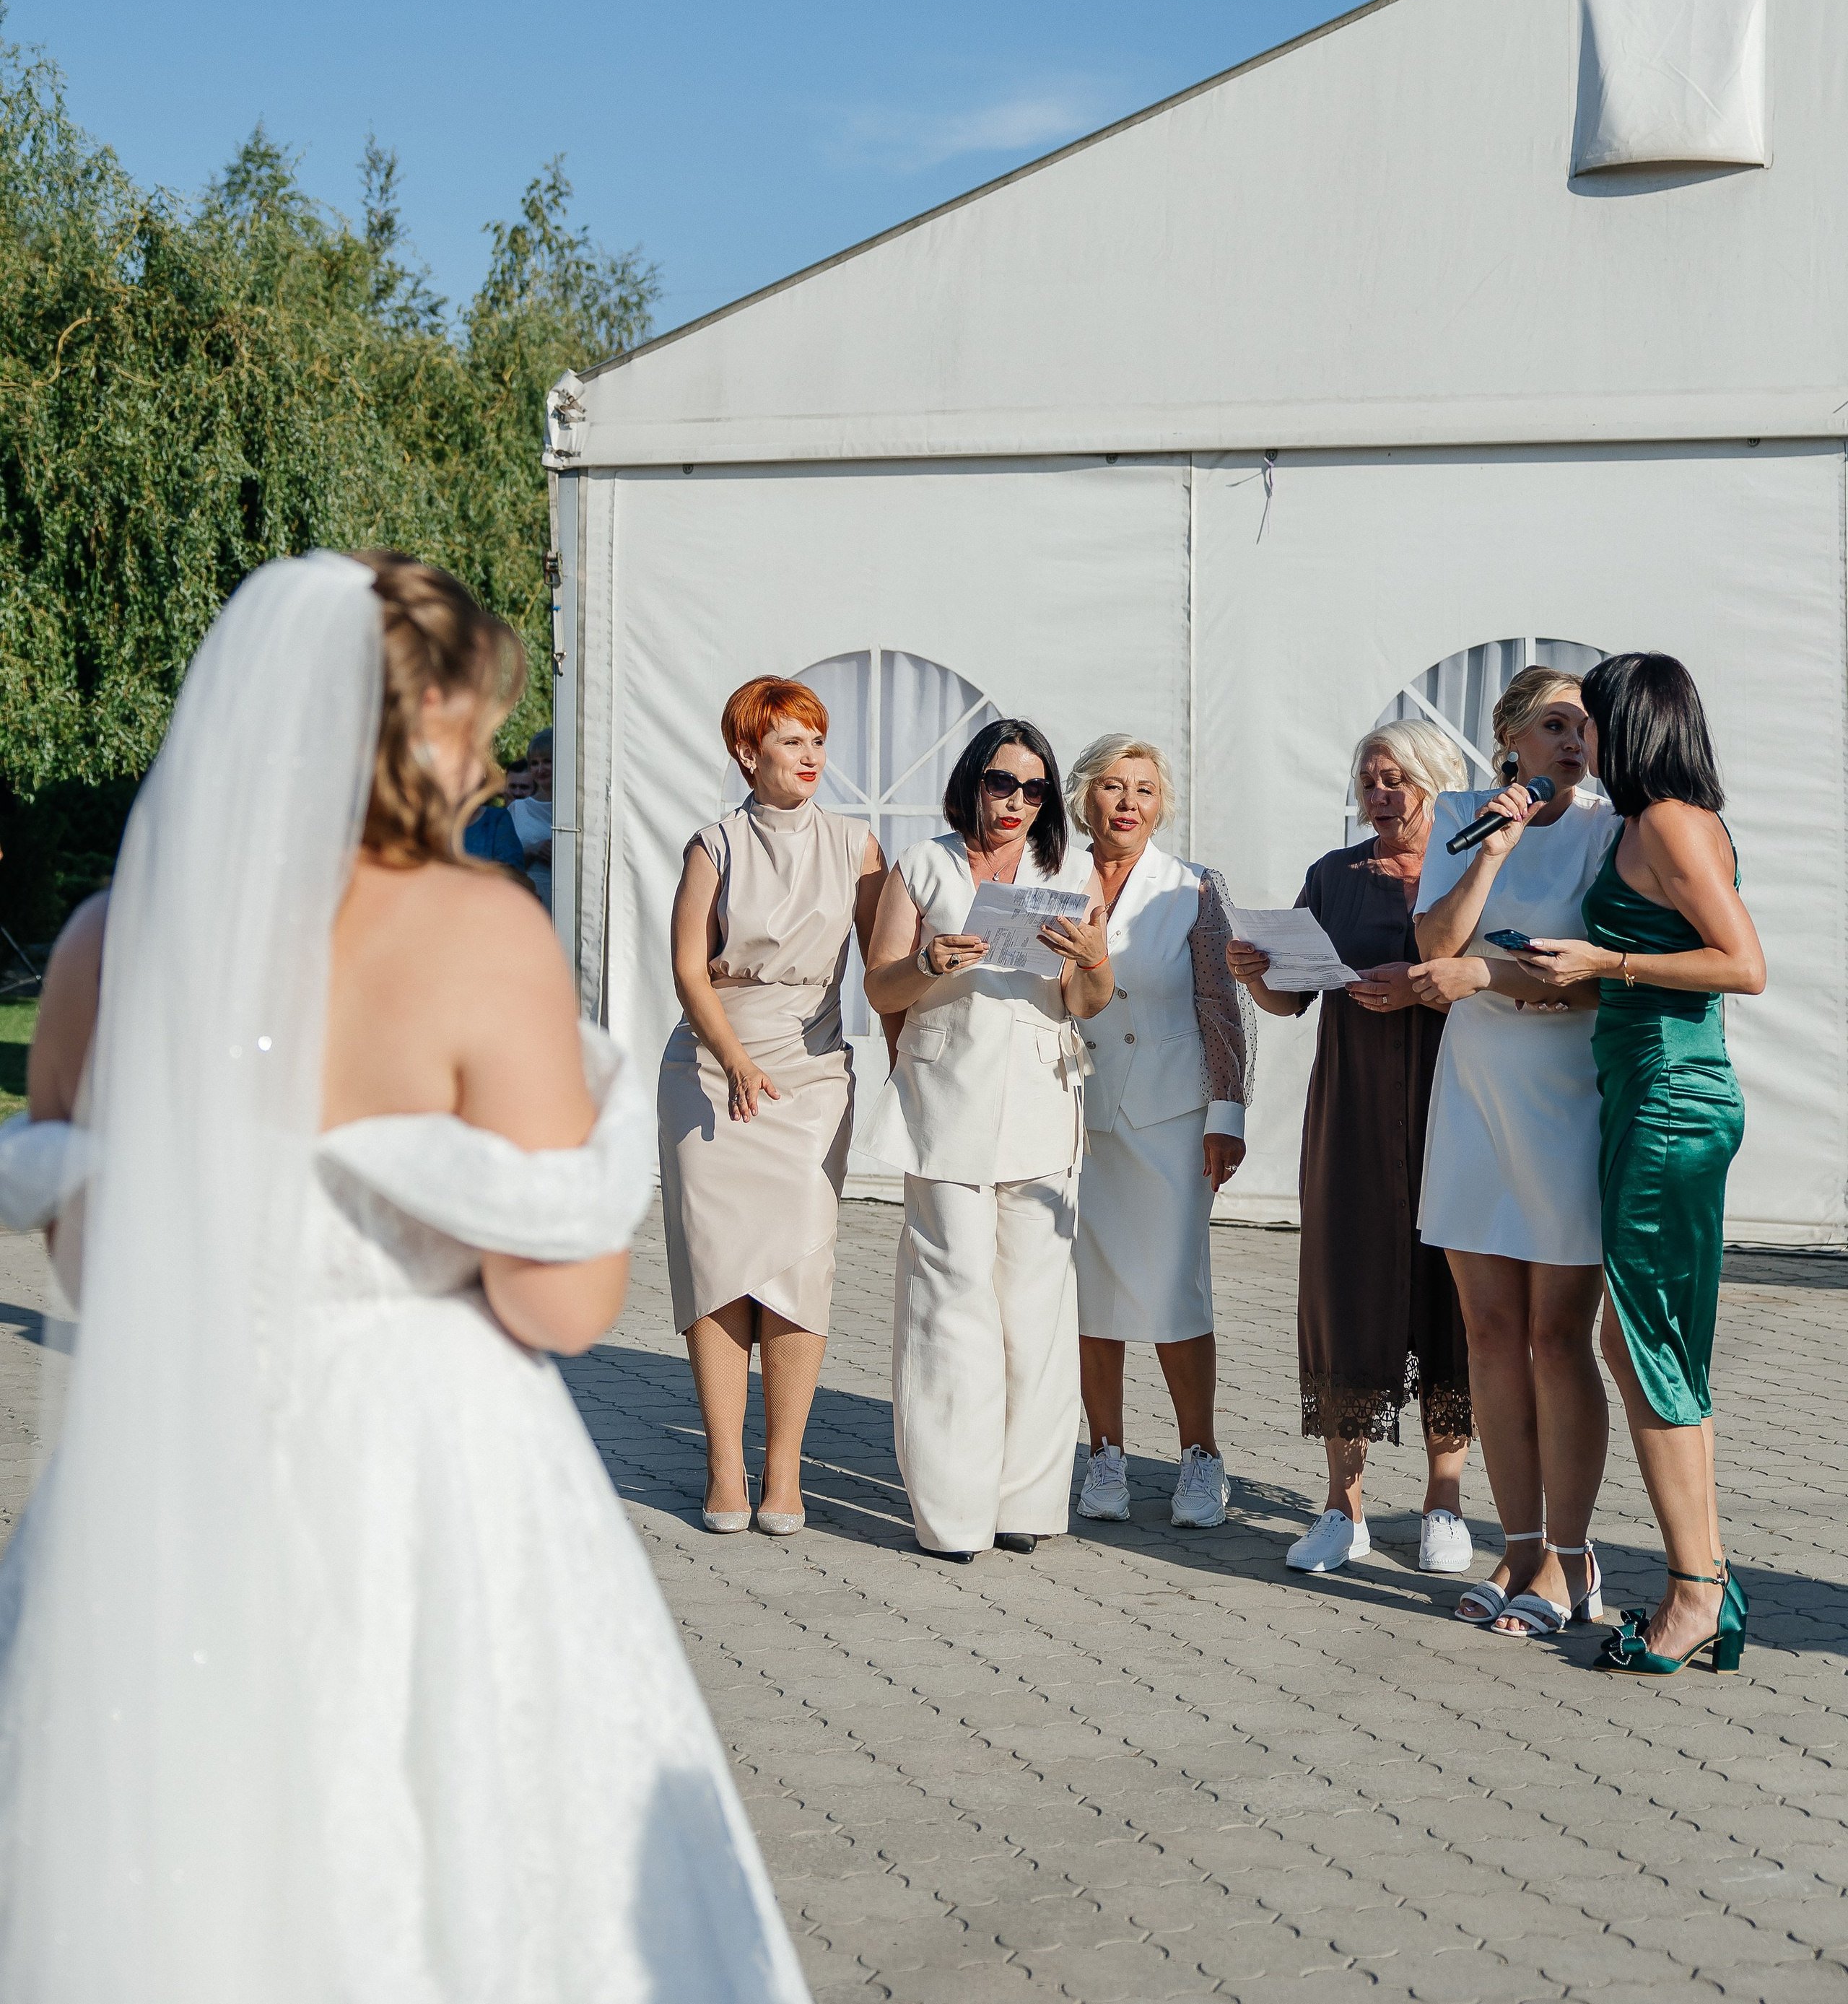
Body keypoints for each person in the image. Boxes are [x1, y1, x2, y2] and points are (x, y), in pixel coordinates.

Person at [0, 549, 810, 2002]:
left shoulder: (103, 945)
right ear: (406, 723)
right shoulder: (475, 931)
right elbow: (558, 1301)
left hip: (165, 1469)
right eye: (473, 718)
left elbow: (87, 1252)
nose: (493, 755)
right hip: (424, 1474)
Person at [1520, 653, 1763, 1675]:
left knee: (1644, 1347)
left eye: (1594, 718)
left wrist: (1603, 962)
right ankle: (1705, 1577)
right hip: (1648, 1088)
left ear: (1636, 724)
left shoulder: (1667, 820)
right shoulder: (1651, 820)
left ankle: (1694, 1593)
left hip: (1672, 1095)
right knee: (1652, 1344)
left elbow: (1741, 964)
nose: (1582, 736)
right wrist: (1556, 980)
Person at [1226, 720, 1476, 1577]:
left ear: (1437, 783)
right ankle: (1344, 1506)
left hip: (1456, 1107)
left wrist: (1422, 989)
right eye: (1368, 777)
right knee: (1344, 1288)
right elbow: (1289, 999)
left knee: (1452, 1291)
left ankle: (1444, 1501)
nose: (1380, 792)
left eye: (1396, 777)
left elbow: (1502, 991)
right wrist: (1255, 970)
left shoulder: (1471, 869)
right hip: (1353, 1113)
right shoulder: (1333, 876)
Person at [861, 719, 1112, 1560]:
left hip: (1043, 1102)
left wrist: (1091, 956)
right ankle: (951, 1513)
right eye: (1002, 783)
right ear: (973, 781)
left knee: (1035, 1312)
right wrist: (931, 961)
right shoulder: (924, 862)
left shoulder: (1069, 871)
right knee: (948, 1300)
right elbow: (879, 984)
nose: (1016, 801)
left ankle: (1025, 1505)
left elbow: (1090, 1000)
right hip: (944, 1102)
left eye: (1034, 789)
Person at [1412, 666, 1621, 1640]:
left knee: (1553, 1336)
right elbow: (1432, 947)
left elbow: (1614, 983)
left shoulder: (1612, 831)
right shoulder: (1460, 813)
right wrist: (1491, 852)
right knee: (1489, 1334)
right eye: (1553, 725)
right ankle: (1519, 1542)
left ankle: (1573, 1557)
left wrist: (1497, 975)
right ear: (1509, 737)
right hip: (1475, 1098)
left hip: (1566, 1099)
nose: (1574, 742)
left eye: (1584, 727)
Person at [660, 678, 888, 1535]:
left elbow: (886, 962)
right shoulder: (713, 843)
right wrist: (733, 1058)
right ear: (747, 753)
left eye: (817, 742)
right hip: (711, 1070)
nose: (811, 758)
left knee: (797, 1265)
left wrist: (915, 1044)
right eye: (792, 743)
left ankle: (784, 1467)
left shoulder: (857, 845)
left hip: (810, 1071)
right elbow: (687, 967)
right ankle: (724, 1463)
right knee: (717, 1268)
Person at [1055, 736, 1253, 1533]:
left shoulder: (1193, 887)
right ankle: (1104, 1451)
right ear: (1085, 800)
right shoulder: (1053, 878)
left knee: (1176, 1289)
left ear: (1160, 804)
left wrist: (1226, 1114)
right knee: (1090, 1293)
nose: (1127, 801)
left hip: (1170, 1115)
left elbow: (1221, 1006)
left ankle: (1199, 1456)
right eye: (1111, 786)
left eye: (1142, 787)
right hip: (1076, 1107)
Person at [506, 727, 554, 909]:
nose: (540, 769)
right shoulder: (518, 809)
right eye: (534, 763)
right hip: (528, 900)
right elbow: (504, 865)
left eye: (547, 761)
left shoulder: (578, 809)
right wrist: (532, 850)